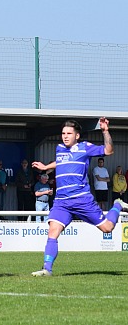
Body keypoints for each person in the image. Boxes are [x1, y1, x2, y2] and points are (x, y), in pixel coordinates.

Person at [31, 118, 128, 276]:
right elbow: (61, 162)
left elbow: (109, 151)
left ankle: (117, 205)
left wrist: (105, 131)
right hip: (62, 201)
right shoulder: (60, 148)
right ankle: (46, 269)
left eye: (69, 133)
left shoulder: (85, 148)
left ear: (77, 136)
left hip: (82, 199)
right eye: (63, 133)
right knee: (53, 231)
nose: (65, 136)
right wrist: (46, 167)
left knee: (107, 228)